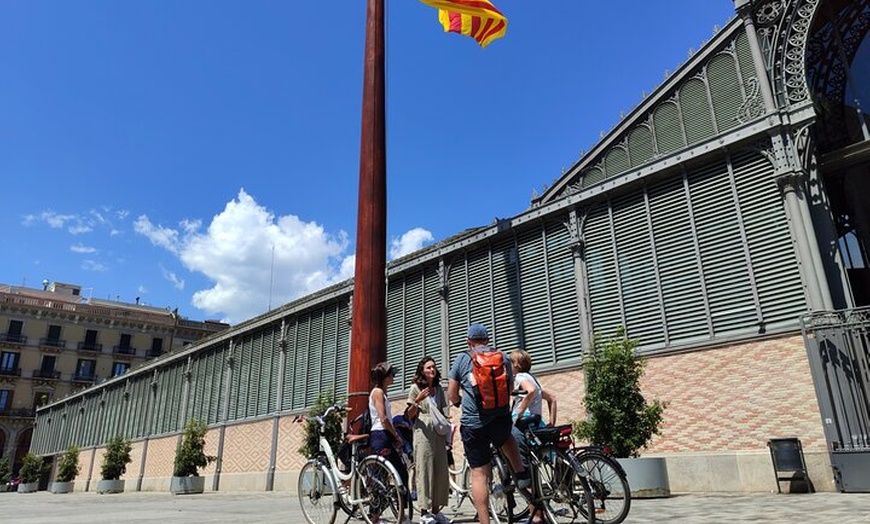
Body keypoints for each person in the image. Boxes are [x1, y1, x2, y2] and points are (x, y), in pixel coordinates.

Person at [447, 323, 529, 524]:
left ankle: (485, 521)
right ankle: (522, 475)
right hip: (500, 419)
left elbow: (452, 393)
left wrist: (458, 401)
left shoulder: (462, 359)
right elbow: (510, 387)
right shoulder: (503, 358)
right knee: (507, 439)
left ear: (468, 341)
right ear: (487, 340)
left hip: (474, 425)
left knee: (480, 475)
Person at [509, 349, 557, 524]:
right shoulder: (532, 378)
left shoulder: (520, 378)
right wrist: (551, 423)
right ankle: (538, 515)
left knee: (522, 471)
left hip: (522, 426)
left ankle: (536, 516)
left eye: (510, 362)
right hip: (536, 425)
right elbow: (552, 398)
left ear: (516, 365)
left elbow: (529, 392)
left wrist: (518, 413)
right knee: (533, 470)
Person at [407, 356, 451, 524]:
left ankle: (436, 510)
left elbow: (444, 411)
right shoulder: (415, 388)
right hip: (423, 433)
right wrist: (417, 401)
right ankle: (424, 512)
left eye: (433, 367)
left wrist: (448, 425)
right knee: (425, 470)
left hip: (438, 433)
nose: (432, 369)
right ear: (422, 371)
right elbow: (409, 415)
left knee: (440, 471)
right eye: (428, 368)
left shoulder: (439, 389)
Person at [368, 361, 411, 524]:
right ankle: (382, 514)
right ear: (385, 377)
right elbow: (383, 418)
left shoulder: (381, 392)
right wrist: (396, 436)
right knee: (391, 474)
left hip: (382, 435)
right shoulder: (378, 392)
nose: (394, 376)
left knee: (386, 475)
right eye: (392, 374)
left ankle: (383, 514)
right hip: (381, 435)